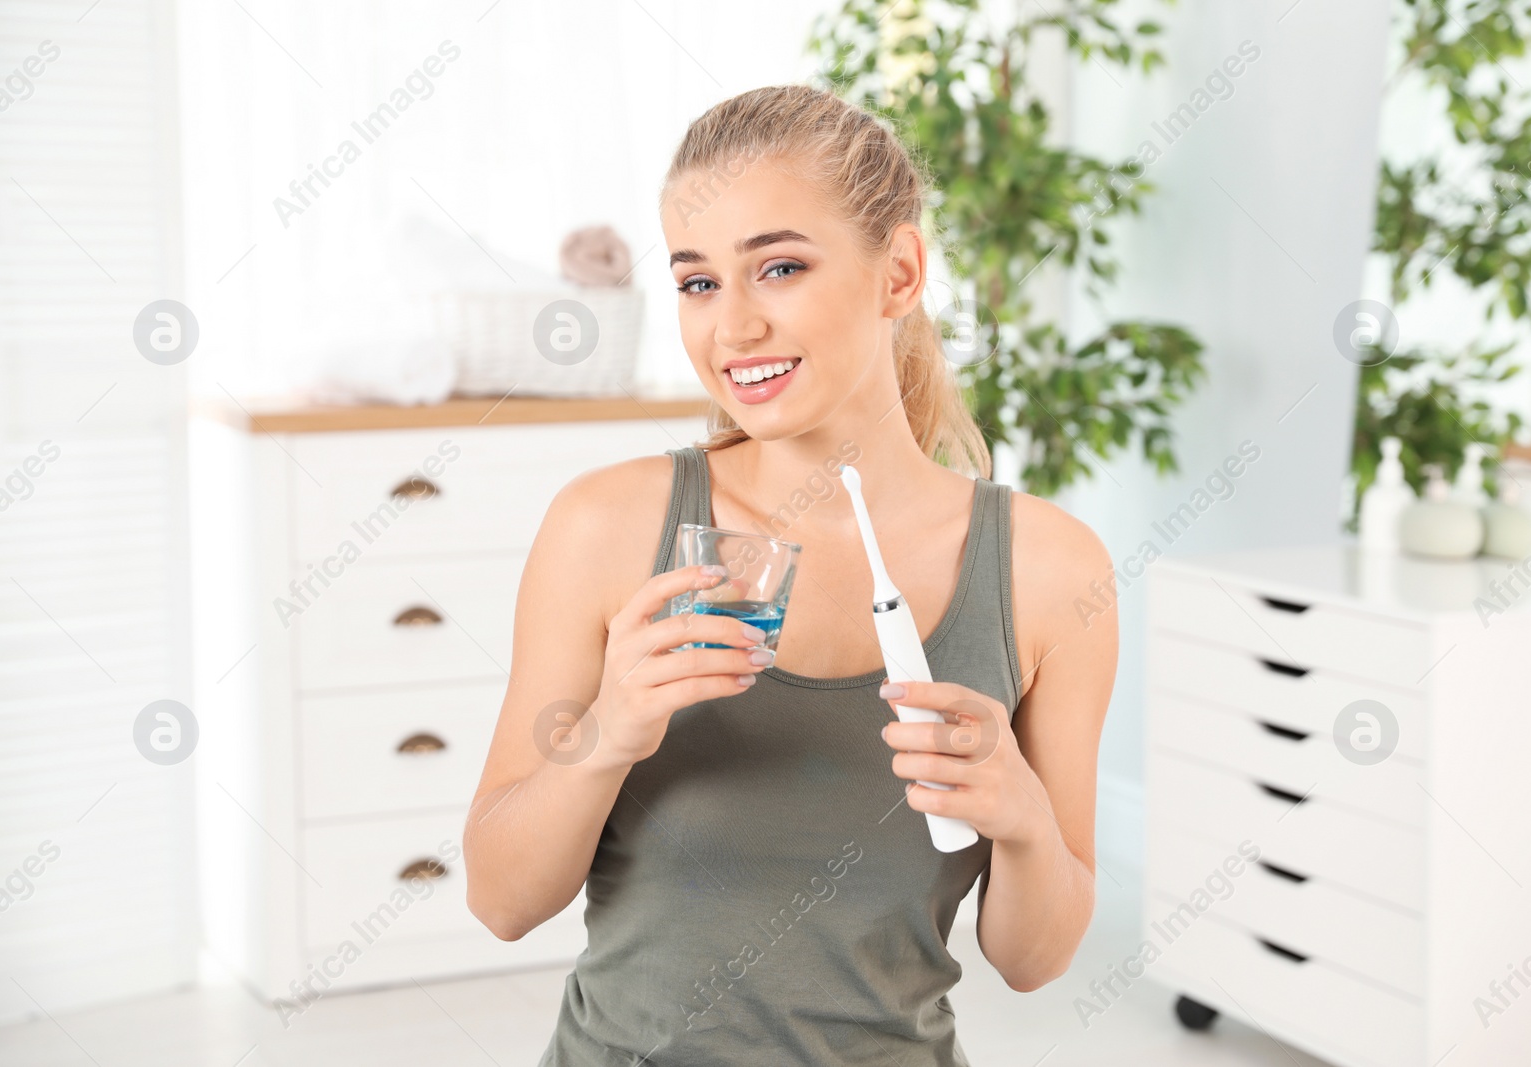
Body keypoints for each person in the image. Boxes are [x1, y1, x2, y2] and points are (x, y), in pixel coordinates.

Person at [463, 83, 1119, 1066]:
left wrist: (1022, 817)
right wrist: (608, 733)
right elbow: (501, 900)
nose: (732, 329)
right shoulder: (605, 526)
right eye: (697, 282)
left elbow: (1034, 958)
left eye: (778, 267)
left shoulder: (1049, 569)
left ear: (897, 272)